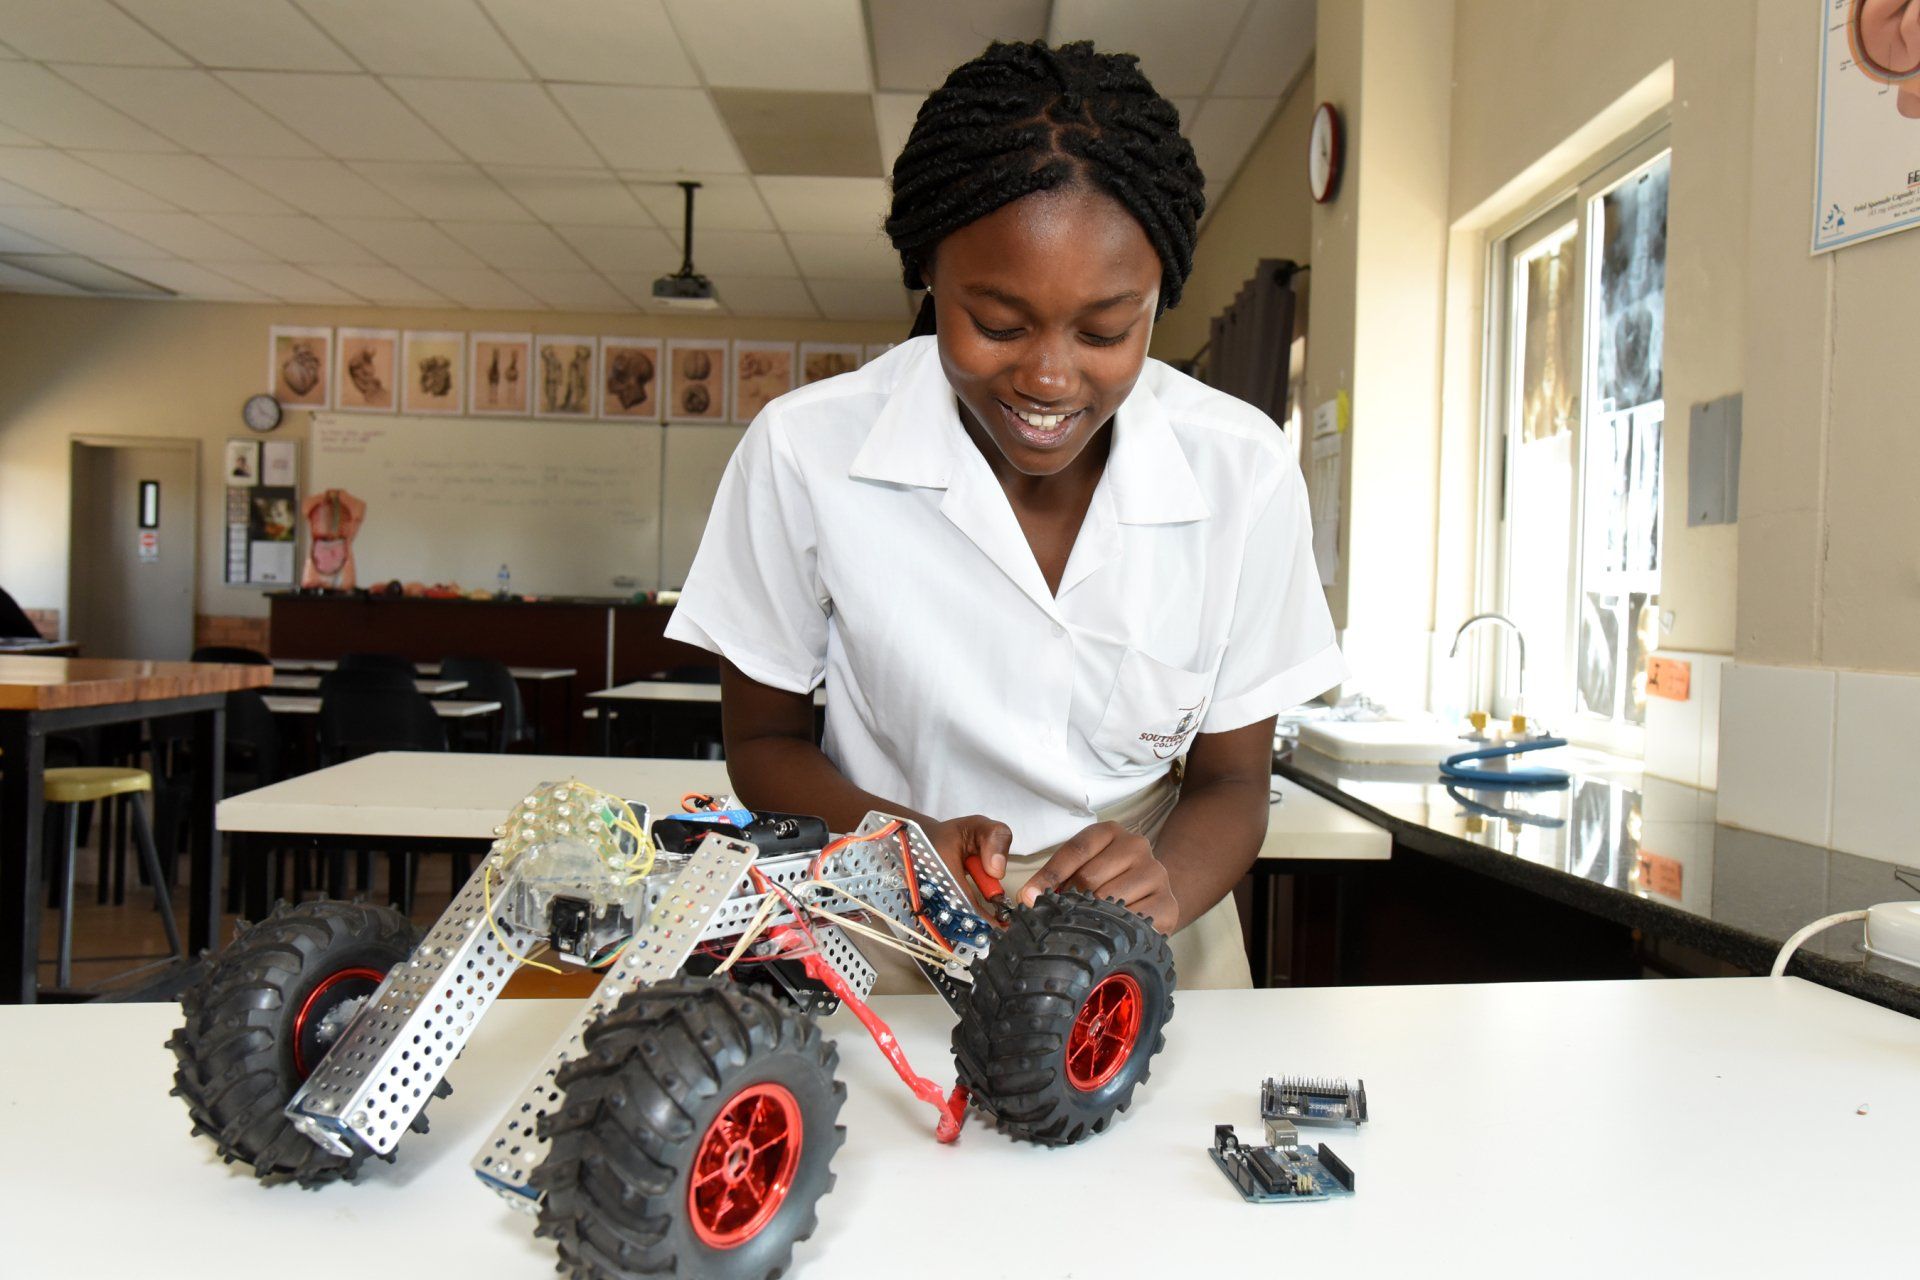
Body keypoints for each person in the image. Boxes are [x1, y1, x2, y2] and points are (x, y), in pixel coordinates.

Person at [666, 39, 1343, 991]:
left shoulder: (1244, 471)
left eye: (1107, 331)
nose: (1050, 378)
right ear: (929, 278)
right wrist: (892, 842)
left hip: (1150, 944)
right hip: (888, 924)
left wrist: (1165, 882)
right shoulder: (806, 451)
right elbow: (763, 742)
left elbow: (1233, 782)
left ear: (1159, 301)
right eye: (997, 324)